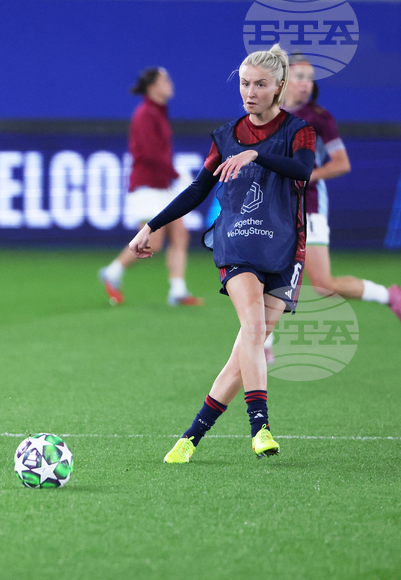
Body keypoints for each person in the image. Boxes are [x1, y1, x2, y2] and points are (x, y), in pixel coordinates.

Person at [128, 45, 316, 463]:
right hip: (237, 243)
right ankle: (260, 427)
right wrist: (150, 226)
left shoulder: (299, 130)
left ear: (278, 88)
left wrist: (256, 155)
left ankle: (191, 437)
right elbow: (197, 190)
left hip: (286, 247)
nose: (250, 92)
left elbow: (303, 171)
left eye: (260, 85)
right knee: (252, 328)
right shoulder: (226, 136)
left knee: (244, 349)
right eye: (245, 84)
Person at [281, 55, 401, 331]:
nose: (306, 84)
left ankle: (388, 295)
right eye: (300, 76)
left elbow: (342, 163)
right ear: (282, 80)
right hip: (277, 206)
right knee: (269, 275)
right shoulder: (267, 114)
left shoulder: (318, 118)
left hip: (309, 205)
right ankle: (265, 348)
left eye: (310, 77)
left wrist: (307, 175)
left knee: (323, 285)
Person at [99, 67, 203, 306]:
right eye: (165, 80)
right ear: (152, 86)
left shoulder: (157, 113)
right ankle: (113, 271)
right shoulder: (145, 113)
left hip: (161, 185)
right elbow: (149, 154)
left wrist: (172, 176)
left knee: (180, 234)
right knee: (153, 241)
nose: (170, 83)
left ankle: (177, 290)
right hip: (146, 186)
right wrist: (178, 175)